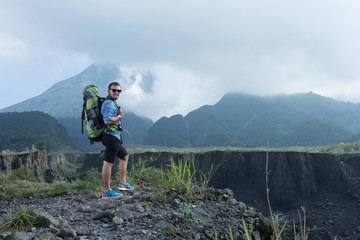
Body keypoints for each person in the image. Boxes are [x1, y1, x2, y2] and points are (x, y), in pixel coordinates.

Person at [100, 81, 134, 198]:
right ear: (109, 91)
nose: (116, 92)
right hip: (111, 137)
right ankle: (106, 191)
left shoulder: (112, 103)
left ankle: (122, 183)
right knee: (108, 163)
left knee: (124, 156)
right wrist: (119, 116)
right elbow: (107, 120)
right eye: (114, 90)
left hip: (114, 137)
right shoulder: (109, 104)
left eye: (118, 91)